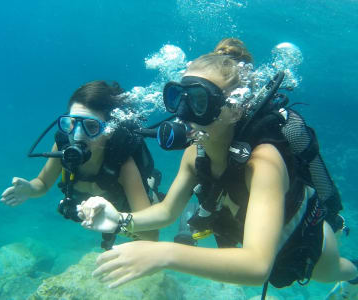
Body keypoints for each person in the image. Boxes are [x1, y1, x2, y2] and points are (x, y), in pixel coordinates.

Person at [76, 39, 358, 296]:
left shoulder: (264, 163)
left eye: (199, 101)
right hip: (250, 238)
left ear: (235, 109)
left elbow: (257, 265)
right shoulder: (194, 152)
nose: (184, 114)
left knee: (334, 272)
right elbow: (166, 211)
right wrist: (122, 219)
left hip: (301, 238)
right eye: (178, 98)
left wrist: (163, 253)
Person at [1, 80, 159, 249]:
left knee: (150, 205)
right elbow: (43, 183)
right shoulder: (63, 148)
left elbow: (151, 235)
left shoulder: (123, 164)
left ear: (110, 129)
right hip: (99, 213)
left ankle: (153, 189)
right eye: (71, 123)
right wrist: (30, 189)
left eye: (91, 126)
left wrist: (116, 223)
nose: (77, 135)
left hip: (121, 211)